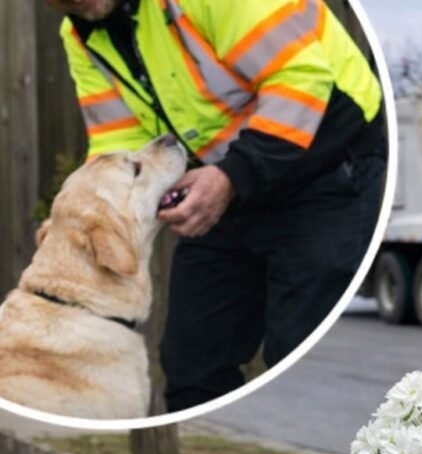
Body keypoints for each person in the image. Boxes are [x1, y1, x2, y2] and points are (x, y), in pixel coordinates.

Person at [44, 0, 386, 412]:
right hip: (227, 180)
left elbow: (300, 78)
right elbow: (120, 142)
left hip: (323, 162)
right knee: (192, 363)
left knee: (301, 355)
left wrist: (232, 176)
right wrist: (92, 216)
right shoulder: (80, 32)